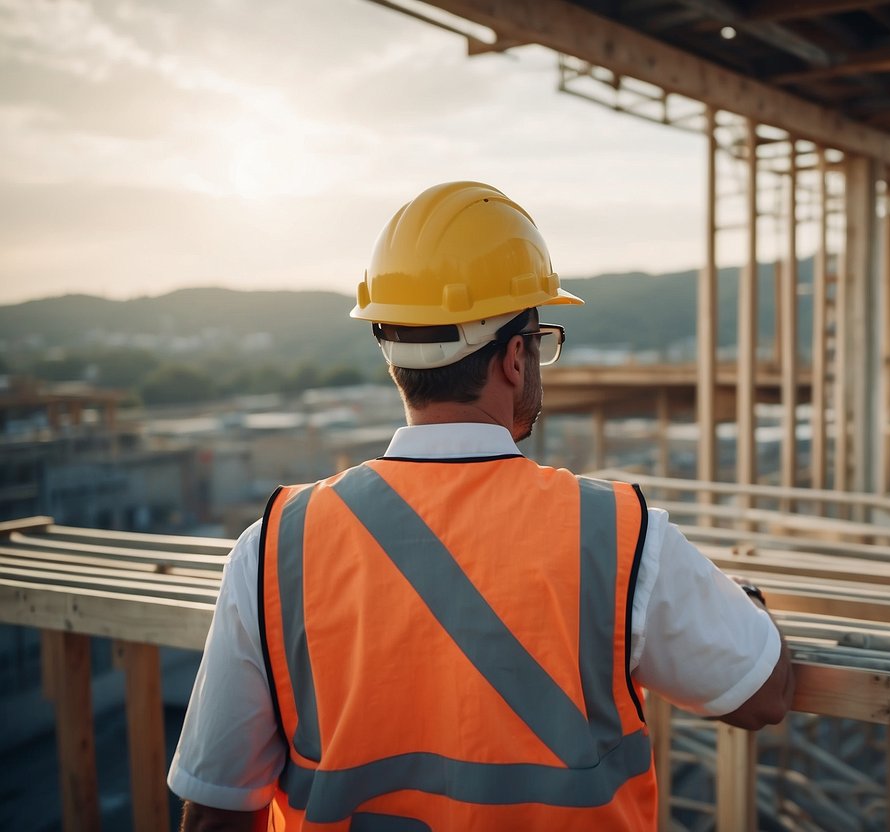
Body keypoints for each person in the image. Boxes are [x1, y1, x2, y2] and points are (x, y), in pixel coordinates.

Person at [169, 181, 795, 831]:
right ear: (515, 358)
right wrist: (743, 602)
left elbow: (215, 811)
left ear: (393, 358)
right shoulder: (617, 538)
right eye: (541, 338)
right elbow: (762, 693)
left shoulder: (273, 548)